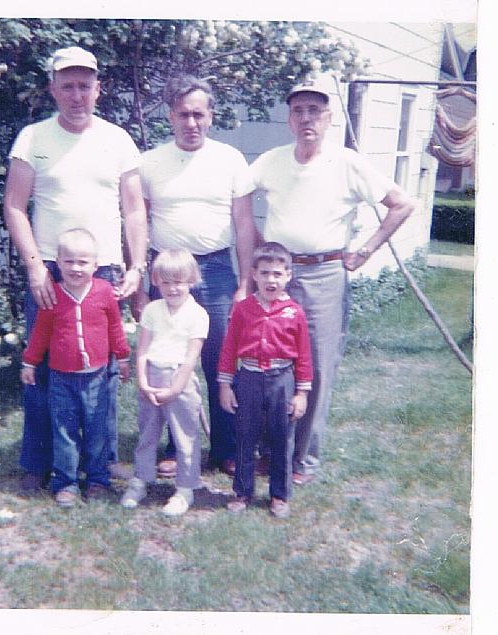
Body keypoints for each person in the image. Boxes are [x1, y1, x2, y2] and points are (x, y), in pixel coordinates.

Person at [250, 74, 414, 484]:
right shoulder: (270, 161)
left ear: (328, 117)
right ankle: (271, 451)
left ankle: (302, 458)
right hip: (277, 276)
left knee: (317, 367)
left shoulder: (347, 162)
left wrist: (366, 250)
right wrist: (256, 250)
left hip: (325, 274)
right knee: (270, 362)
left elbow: (401, 204)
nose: (306, 119)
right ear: (289, 118)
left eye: (315, 111)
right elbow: (234, 200)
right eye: (299, 111)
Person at [3, 46, 147, 493]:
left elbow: (135, 209)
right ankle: (38, 462)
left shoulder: (118, 140)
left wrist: (137, 265)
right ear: (53, 89)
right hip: (50, 270)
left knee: (101, 372)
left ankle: (98, 465)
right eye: (67, 85)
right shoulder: (33, 138)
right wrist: (33, 268)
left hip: (103, 270)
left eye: (85, 85)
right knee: (45, 364)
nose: (77, 94)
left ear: (98, 89)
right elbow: (13, 206)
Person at [139, 75, 257, 478]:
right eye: (183, 114)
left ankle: (225, 447)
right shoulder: (150, 161)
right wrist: (141, 277)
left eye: (199, 114)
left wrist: (245, 283)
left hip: (218, 268)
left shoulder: (230, 160)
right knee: (170, 358)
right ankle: (177, 444)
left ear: (211, 116)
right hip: (168, 270)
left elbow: (244, 224)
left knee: (222, 359)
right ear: (170, 117)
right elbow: (137, 221)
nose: (191, 122)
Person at [21, 229, 131, 506]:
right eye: (69, 262)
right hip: (61, 378)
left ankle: (97, 479)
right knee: (65, 431)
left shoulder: (104, 292)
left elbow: (116, 327)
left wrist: (124, 356)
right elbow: (40, 334)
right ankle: (66, 482)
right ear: (57, 263)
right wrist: (30, 362)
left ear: (96, 265)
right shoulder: (53, 296)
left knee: (97, 430)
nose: (76, 268)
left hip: (96, 376)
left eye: (83, 262)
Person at [218, 243, 312, 518]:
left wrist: (301, 393)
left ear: (288, 276)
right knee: (246, 435)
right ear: (254, 275)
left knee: (282, 437)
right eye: (265, 273)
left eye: (277, 274)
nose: (271, 280)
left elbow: (304, 356)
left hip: (282, 379)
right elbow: (229, 348)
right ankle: (242, 491)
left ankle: (279, 495)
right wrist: (225, 385)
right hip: (248, 378)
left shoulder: (294, 312)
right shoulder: (243, 309)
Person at [121, 249, 209, 516]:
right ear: (156, 281)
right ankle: (141, 479)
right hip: (152, 376)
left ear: (192, 280)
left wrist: (174, 389)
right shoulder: (151, 310)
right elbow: (143, 350)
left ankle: (185, 488)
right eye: (167, 281)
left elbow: (190, 359)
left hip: (179, 381)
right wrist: (143, 382)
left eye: (179, 281)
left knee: (185, 437)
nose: (173, 288)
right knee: (147, 433)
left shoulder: (198, 315)